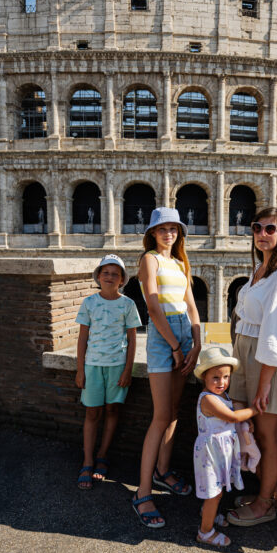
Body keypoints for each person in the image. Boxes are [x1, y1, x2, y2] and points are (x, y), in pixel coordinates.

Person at [226, 207, 277, 526]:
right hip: (245, 354)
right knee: (248, 430)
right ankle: (272, 493)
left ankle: (265, 503)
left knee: (268, 435)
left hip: (266, 362)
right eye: (257, 227)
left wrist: (265, 383)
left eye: (271, 229)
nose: (262, 233)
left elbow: (276, 332)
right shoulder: (260, 269)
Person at [131, 207, 202, 528]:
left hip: (184, 335)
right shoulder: (150, 259)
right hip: (164, 338)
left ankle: (162, 471)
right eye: (163, 229)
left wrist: (196, 342)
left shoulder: (179, 262)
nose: (169, 233)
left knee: (173, 411)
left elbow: (191, 307)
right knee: (160, 417)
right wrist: (175, 344)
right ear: (153, 233)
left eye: (174, 229)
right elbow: (153, 306)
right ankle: (142, 493)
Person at [74, 255, 142, 490]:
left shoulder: (128, 305)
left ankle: (102, 455)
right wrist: (80, 369)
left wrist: (128, 370)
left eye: (115, 273)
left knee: (113, 409)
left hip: (117, 366)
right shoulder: (89, 303)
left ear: (122, 279)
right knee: (92, 413)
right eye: (106, 273)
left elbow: (132, 341)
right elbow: (82, 338)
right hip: (93, 366)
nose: (110, 277)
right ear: (98, 277)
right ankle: (88, 460)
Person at [192, 347, 259, 547]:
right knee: (214, 493)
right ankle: (205, 532)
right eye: (216, 378)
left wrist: (244, 423)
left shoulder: (222, 396)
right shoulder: (208, 399)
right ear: (204, 377)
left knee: (218, 489)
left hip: (219, 452)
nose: (222, 383)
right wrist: (253, 411)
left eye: (226, 377)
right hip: (210, 454)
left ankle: (209, 514)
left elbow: (233, 412)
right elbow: (232, 416)